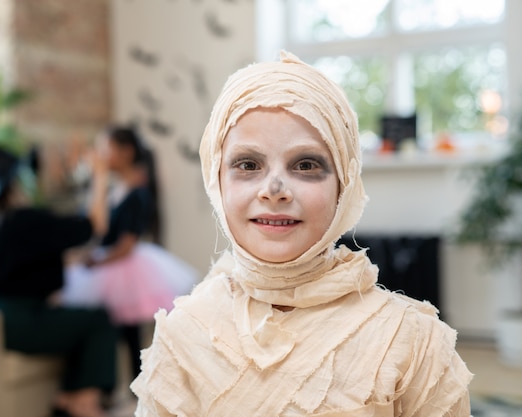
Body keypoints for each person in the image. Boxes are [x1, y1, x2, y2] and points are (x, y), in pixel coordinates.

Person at [130, 51, 473, 416]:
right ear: (217, 181)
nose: (274, 189)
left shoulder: (412, 343)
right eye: (248, 164)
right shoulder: (183, 335)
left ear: (343, 185)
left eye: (306, 165)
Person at [0, 109, 116, 417]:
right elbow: (95, 226)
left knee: (79, 317)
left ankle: (70, 396)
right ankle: (83, 401)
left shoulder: (5, 223)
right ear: (20, 185)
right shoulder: (28, 219)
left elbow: (39, 260)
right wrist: (100, 174)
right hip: (19, 320)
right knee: (98, 318)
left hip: (4, 316)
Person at [61, 126, 197, 381]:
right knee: (113, 328)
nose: (101, 155)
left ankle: (140, 385)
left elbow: (126, 245)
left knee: (130, 329)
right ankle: (112, 384)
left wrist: (97, 261)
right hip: (107, 262)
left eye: (106, 149)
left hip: (122, 264)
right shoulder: (114, 190)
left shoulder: (138, 193)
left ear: (126, 152)